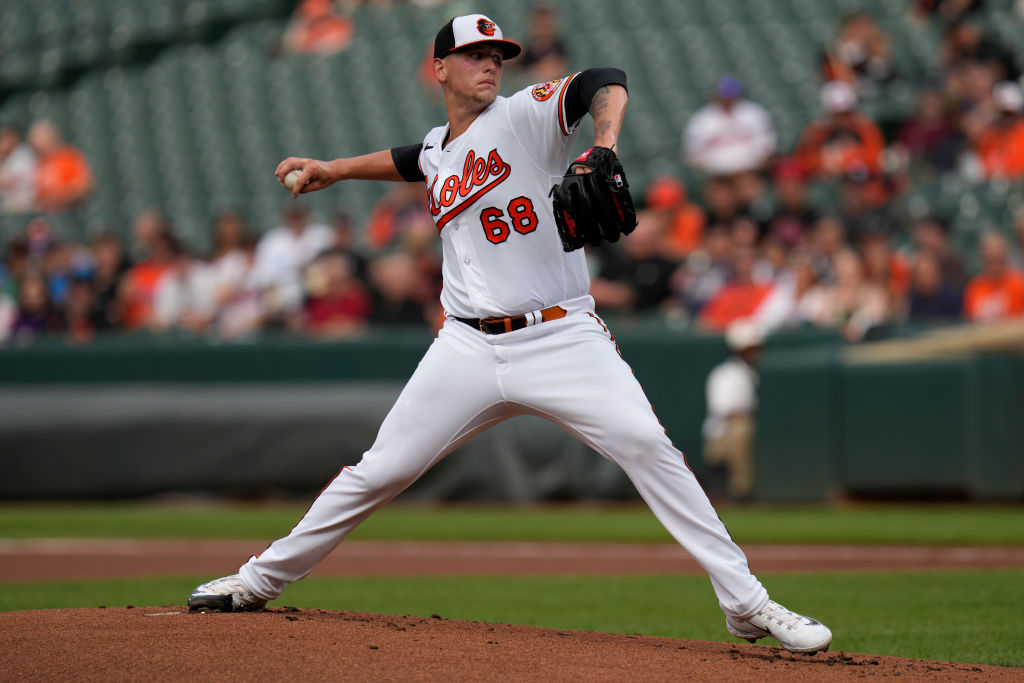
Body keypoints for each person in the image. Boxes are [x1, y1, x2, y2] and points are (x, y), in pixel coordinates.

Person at [187, 14, 832, 655]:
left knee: (648, 447)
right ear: (439, 68)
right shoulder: (441, 147)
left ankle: (746, 604)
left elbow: (604, 80)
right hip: (466, 346)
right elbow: (415, 159)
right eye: (473, 55)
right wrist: (337, 169)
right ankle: (257, 581)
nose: (490, 63)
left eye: (496, 53)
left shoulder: (524, 116)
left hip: (561, 336)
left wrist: (603, 142)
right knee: (379, 471)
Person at [702, 320, 763, 501]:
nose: (757, 352)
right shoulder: (726, 374)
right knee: (741, 428)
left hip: (732, 429)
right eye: (751, 348)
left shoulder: (750, 372)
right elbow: (724, 410)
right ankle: (741, 492)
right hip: (721, 433)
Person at [963, 231, 1024, 322]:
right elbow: (969, 323)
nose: (995, 266)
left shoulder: (1019, 283)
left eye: (998, 260)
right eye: (990, 261)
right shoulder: (974, 288)